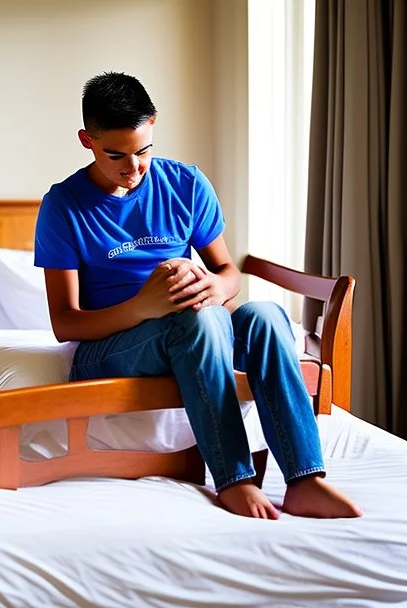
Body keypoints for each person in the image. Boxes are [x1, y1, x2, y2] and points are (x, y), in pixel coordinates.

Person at [34, 72, 362, 520]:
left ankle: (305, 479)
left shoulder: (186, 183)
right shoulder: (63, 206)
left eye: (143, 151)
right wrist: (141, 307)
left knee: (267, 315)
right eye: (116, 155)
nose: (133, 169)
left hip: (195, 325)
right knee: (201, 322)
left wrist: (216, 286)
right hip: (111, 347)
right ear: (86, 140)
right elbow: (64, 323)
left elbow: (230, 273)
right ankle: (233, 478)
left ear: (153, 125)